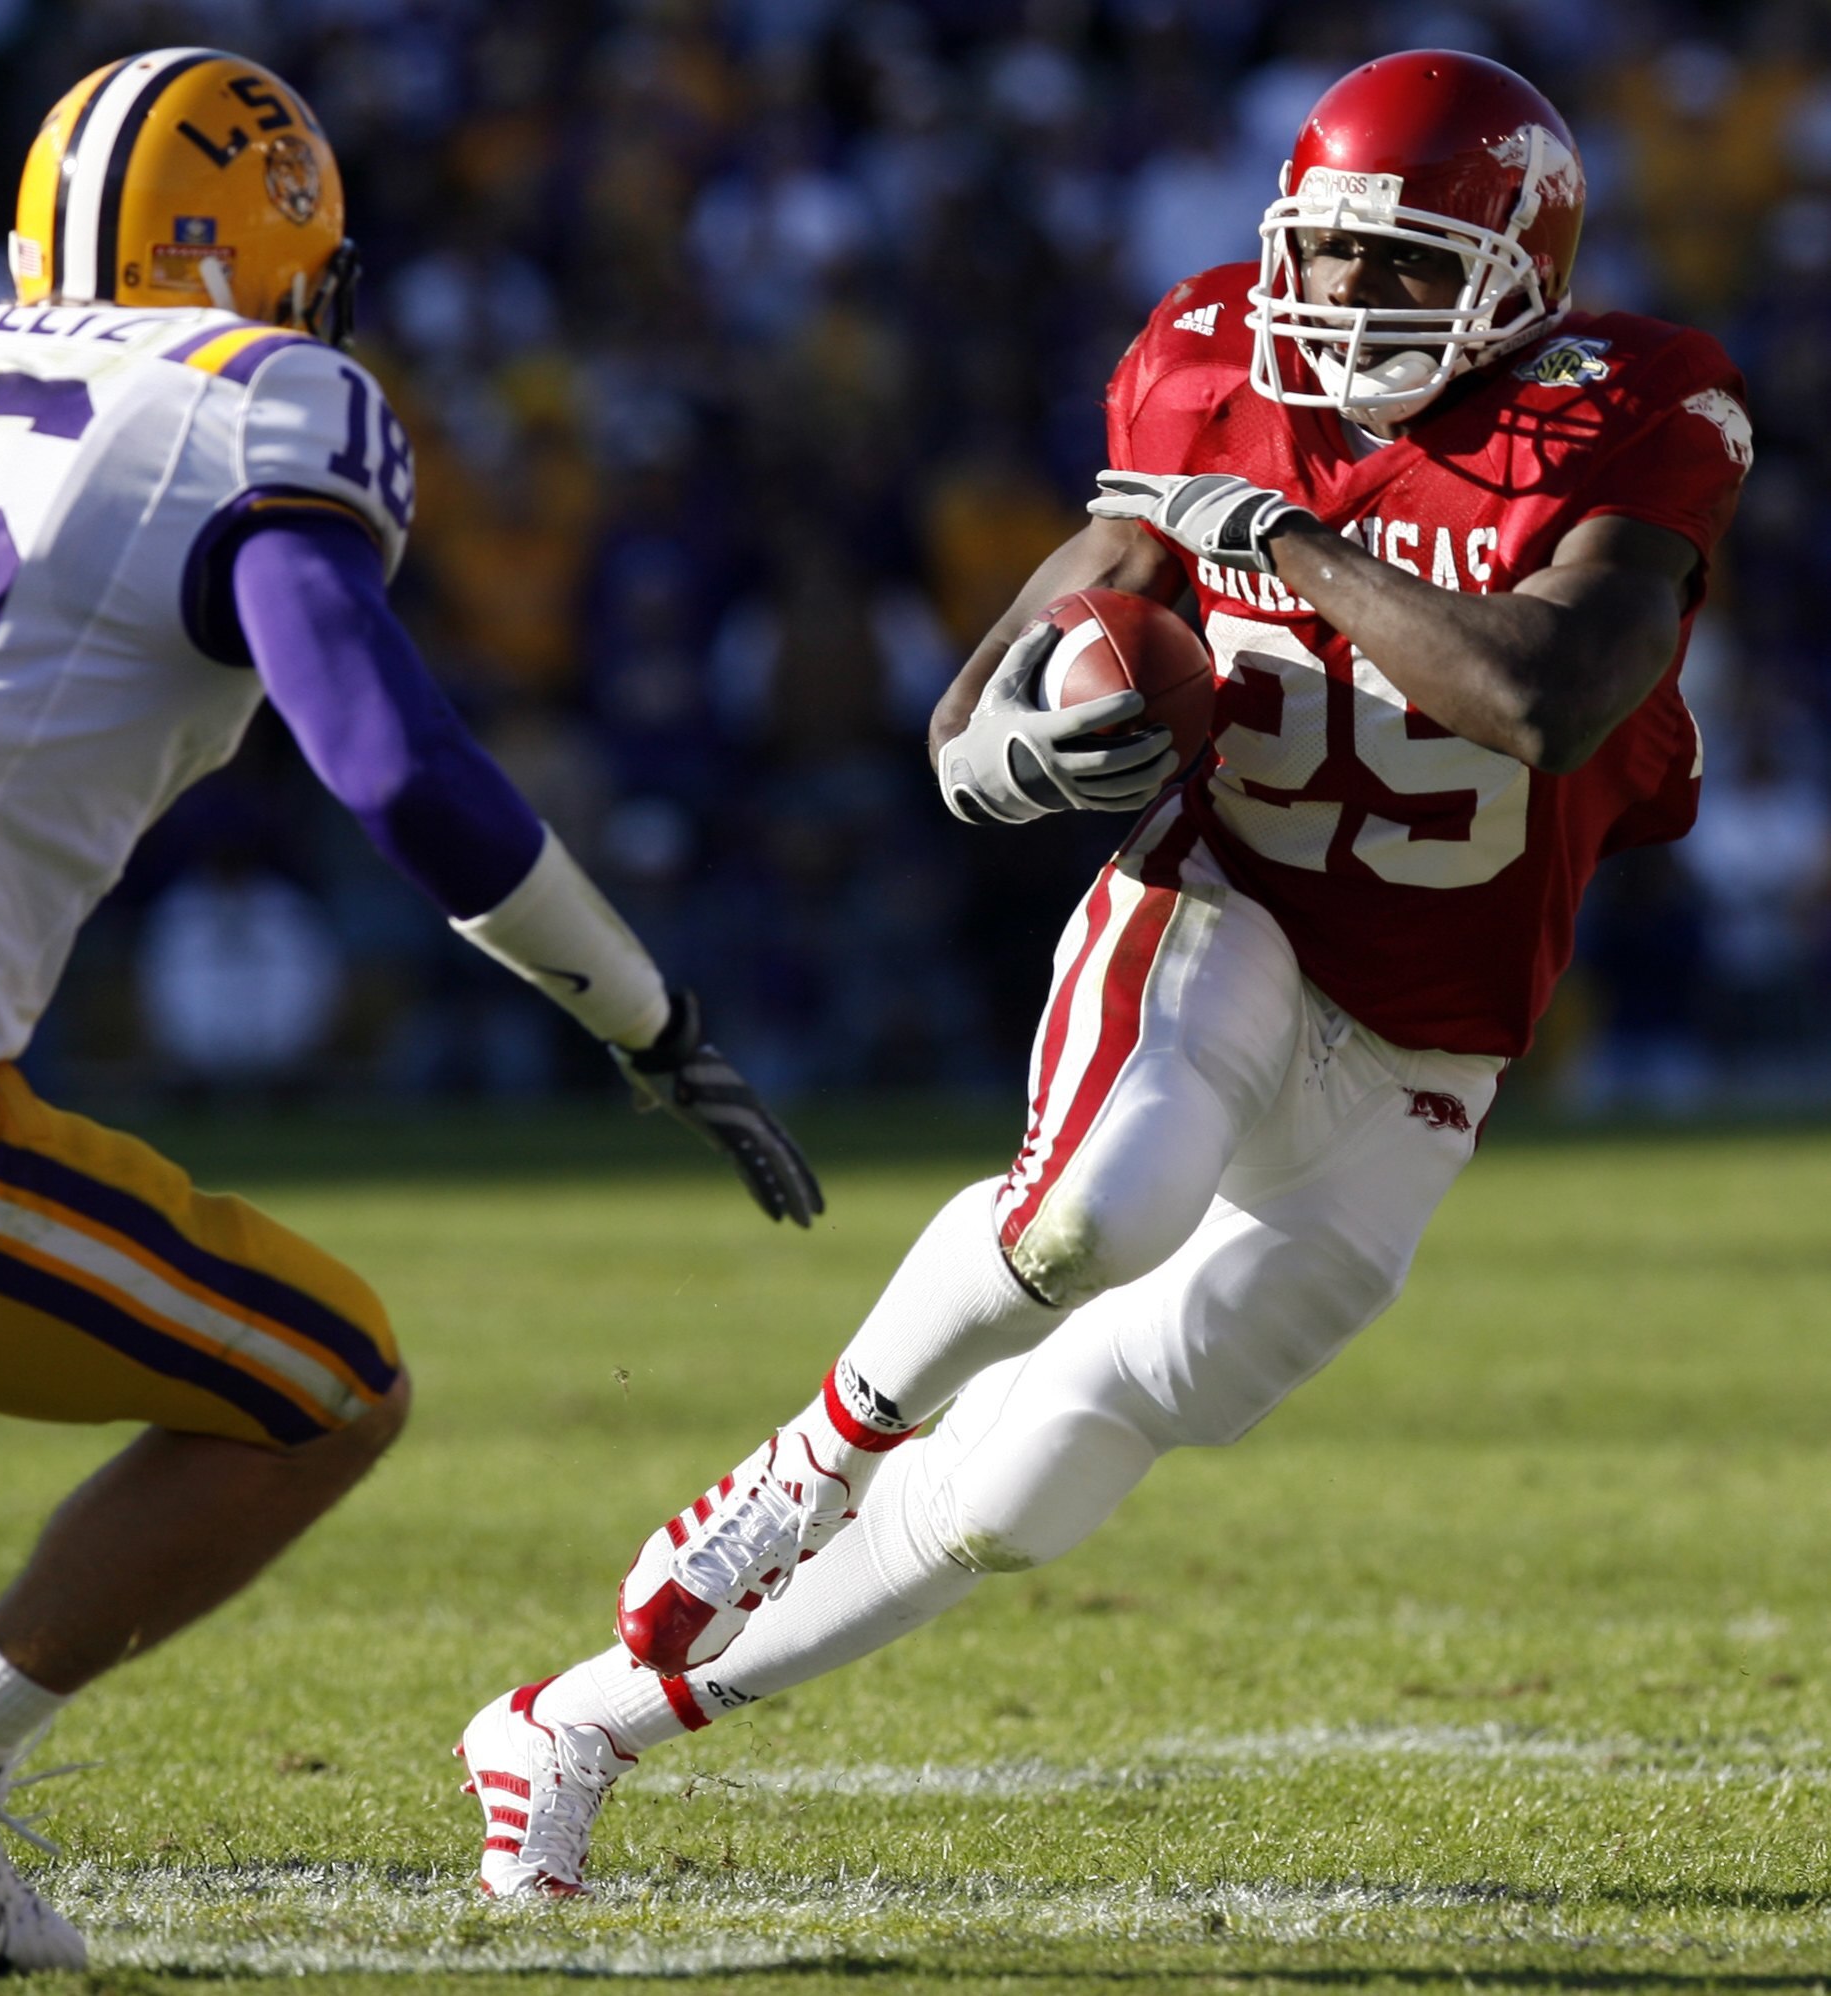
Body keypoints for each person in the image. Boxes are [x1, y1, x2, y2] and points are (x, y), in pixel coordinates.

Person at [457, 48, 1750, 1897]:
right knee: (1101, 1210)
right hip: (1222, 904)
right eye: (1325, 253)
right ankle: (806, 1463)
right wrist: (987, 738)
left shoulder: (1641, 404)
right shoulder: (1215, 356)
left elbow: (1542, 701)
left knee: (1047, 1470)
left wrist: (1290, 542)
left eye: (1399, 266)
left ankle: (571, 1722)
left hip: (1430, 1042)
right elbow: (1059, 609)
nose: (1341, 300)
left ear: (1518, 270)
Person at [0, 48, 820, 1973]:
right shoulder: (261, 404)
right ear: (274, 262)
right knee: (327, 1390)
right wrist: (647, 1015)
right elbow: (388, 756)